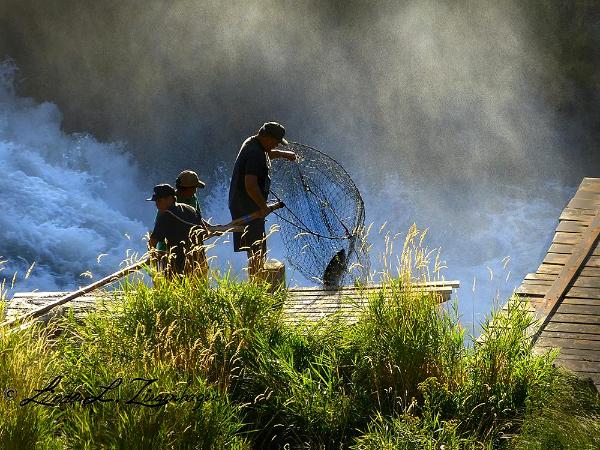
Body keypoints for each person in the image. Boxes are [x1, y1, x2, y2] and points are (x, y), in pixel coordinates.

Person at [228, 121, 296, 281]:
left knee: (257, 249)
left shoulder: (253, 143)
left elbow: (265, 155)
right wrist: (263, 206)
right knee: (257, 250)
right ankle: (257, 286)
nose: (275, 145)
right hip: (248, 208)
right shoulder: (255, 153)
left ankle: (257, 283)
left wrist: (282, 154)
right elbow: (250, 185)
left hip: (243, 204)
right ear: (266, 137)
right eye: (275, 142)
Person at [147, 184, 207, 278]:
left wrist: (153, 257)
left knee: (177, 291)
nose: (156, 204)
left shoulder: (165, 216)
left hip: (178, 267)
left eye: (159, 200)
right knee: (198, 290)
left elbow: (152, 242)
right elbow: (205, 231)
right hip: (199, 262)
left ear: (170, 198)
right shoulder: (190, 209)